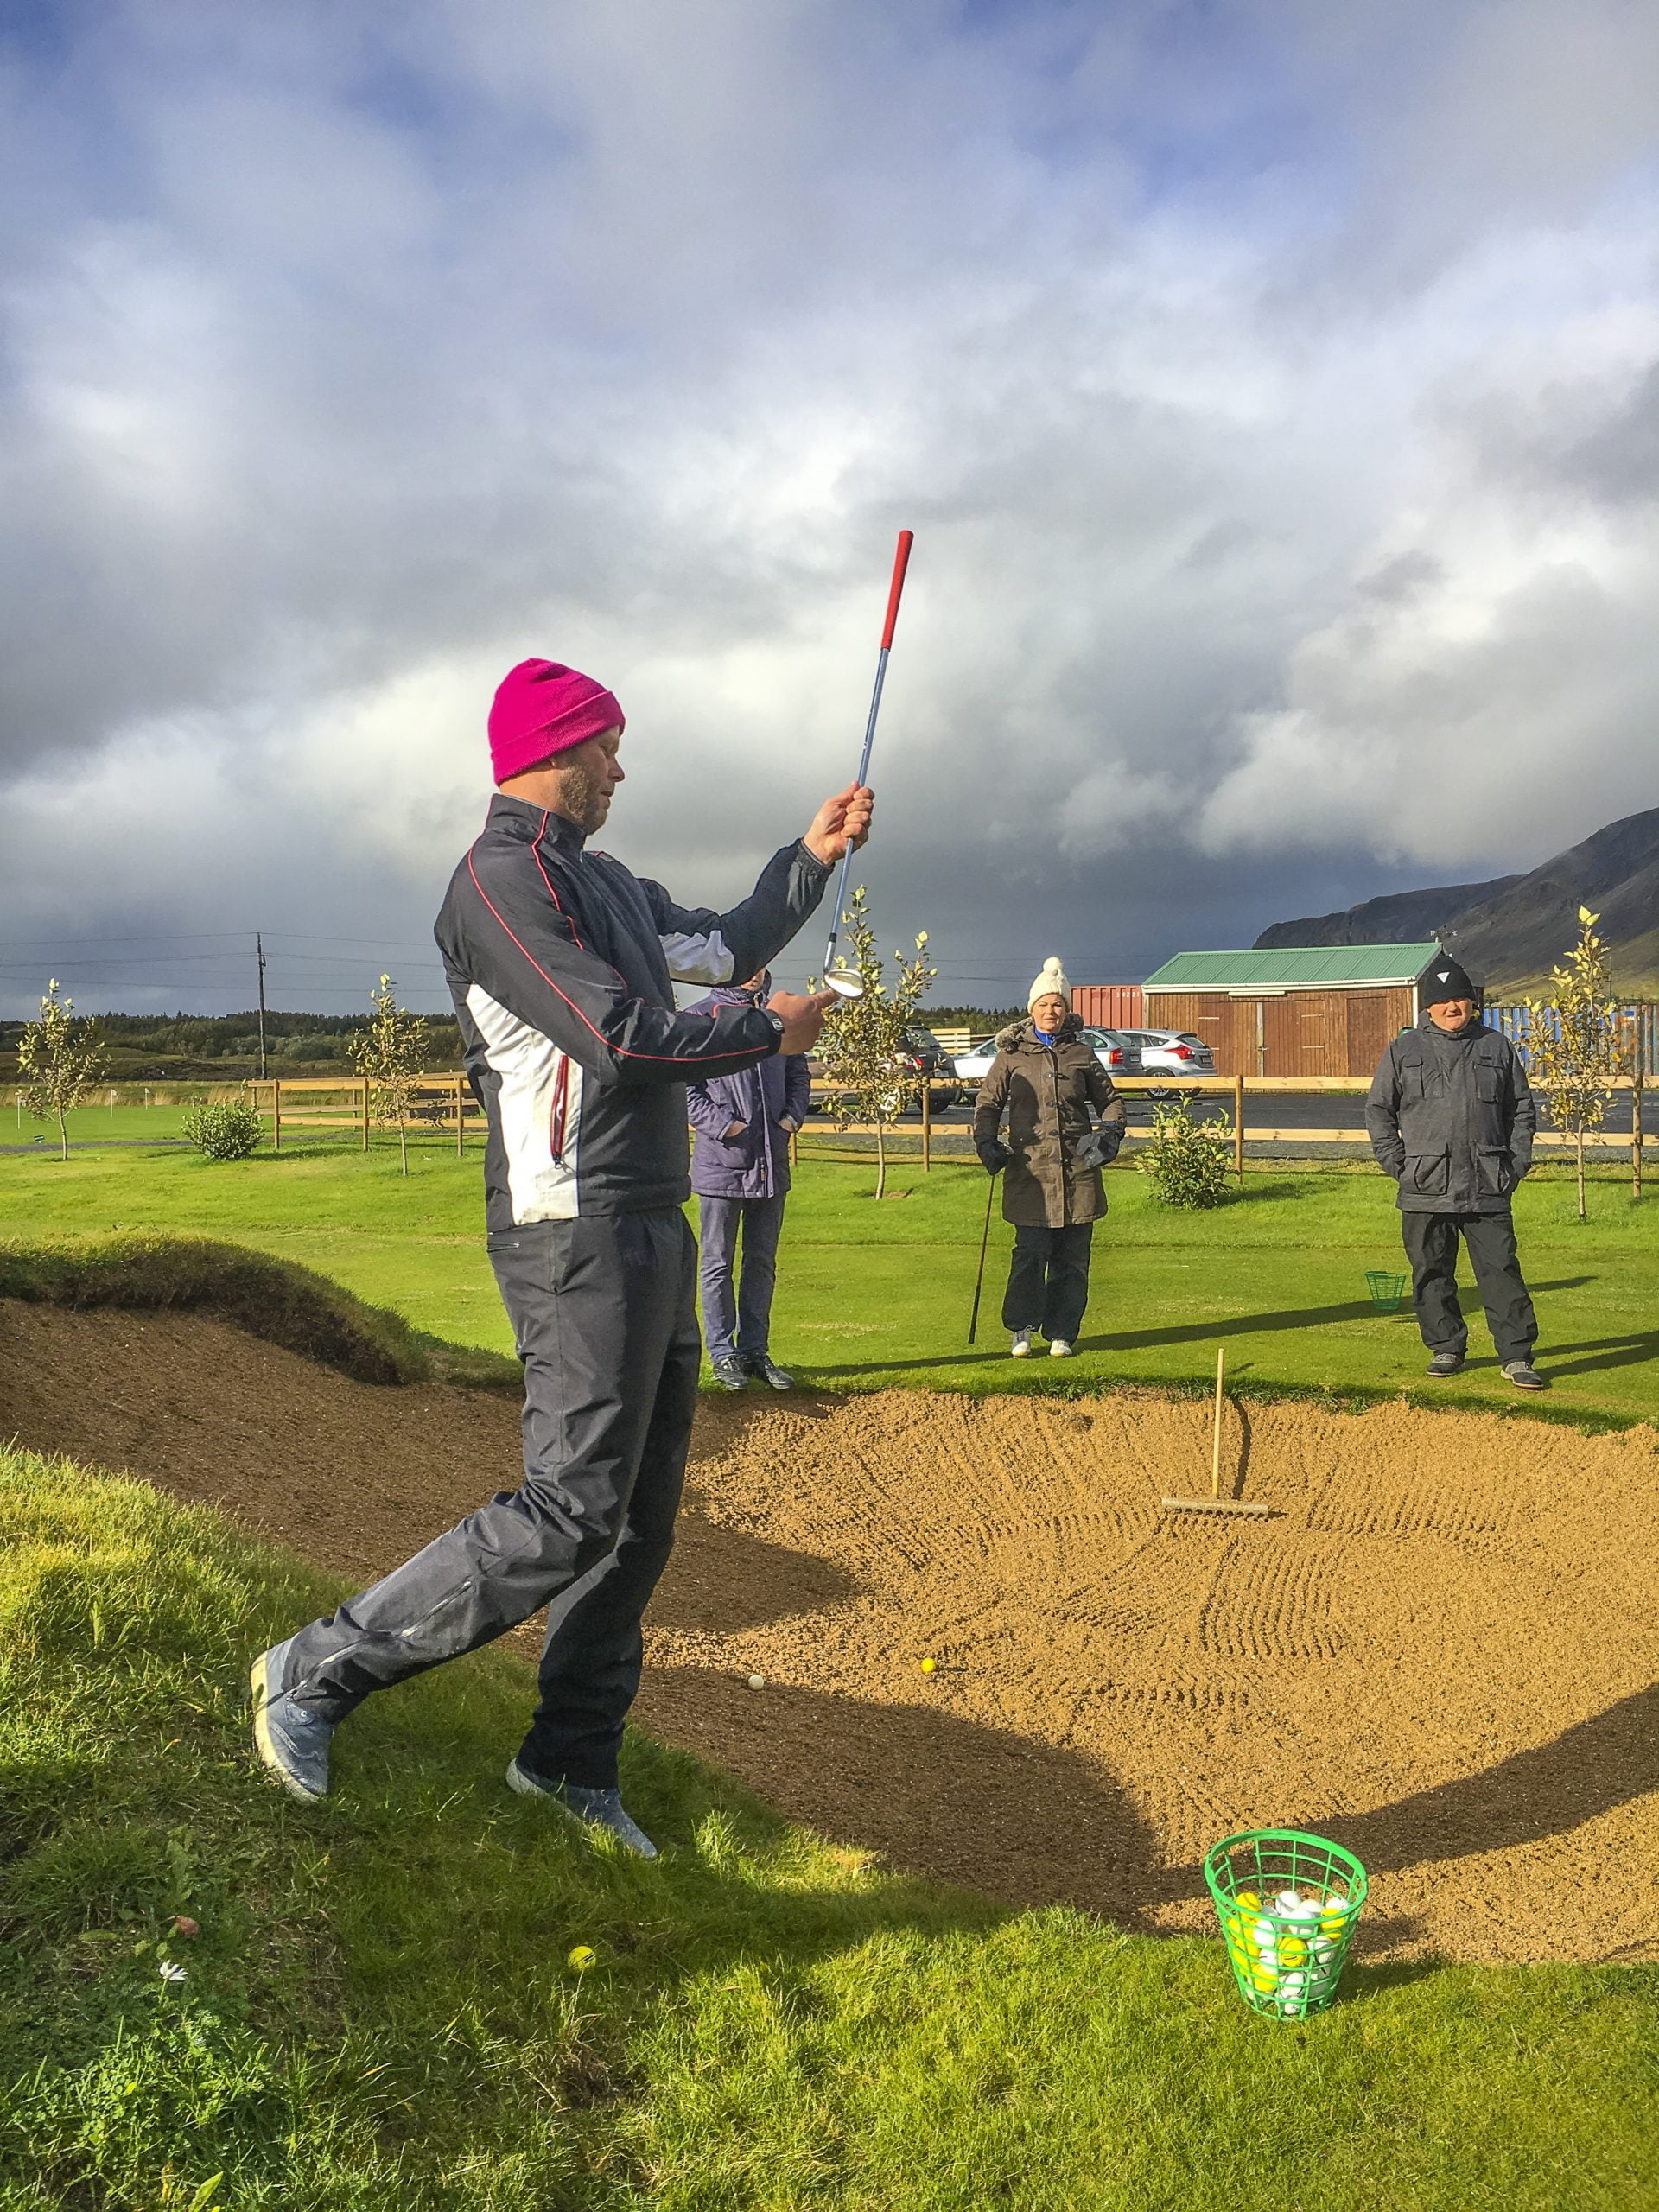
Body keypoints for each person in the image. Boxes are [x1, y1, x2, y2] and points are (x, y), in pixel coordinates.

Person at [251, 657, 872, 1853]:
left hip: (648, 1221)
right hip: (568, 1232)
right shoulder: (498, 886)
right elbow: (621, 1036)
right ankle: (313, 1669)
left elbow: (726, 942)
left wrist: (811, 858)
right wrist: (765, 1029)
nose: (621, 770)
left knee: (637, 1522)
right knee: (566, 1508)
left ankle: (570, 1762)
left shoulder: (609, 887)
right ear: (556, 750)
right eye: (608, 749)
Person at [1364, 951, 1544, 1389]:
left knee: (1501, 1270)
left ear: (1471, 1004)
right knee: (1431, 1272)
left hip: (1487, 1184)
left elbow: (1522, 1110)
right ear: (1428, 1008)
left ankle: (1517, 1357)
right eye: (1444, 1002)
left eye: (1460, 1000)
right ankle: (1446, 1348)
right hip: (1424, 1187)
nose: (1453, 1008)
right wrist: (1400, 1166)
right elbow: (1379, 1111)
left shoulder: (1496, 1047)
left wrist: (1514, 1164)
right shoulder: (1403, 1050)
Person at [973, 957, 1126, 1358]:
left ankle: (1062, 1332)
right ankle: (1020, 1328)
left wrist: (1109, 1134)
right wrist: (986, 1143)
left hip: (1079, 1171)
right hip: (1030, 1174)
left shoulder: (1081, 1054)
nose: (1051, 1011)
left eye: (1058, 1004)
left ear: (1067, 1009)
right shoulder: (1010, 1055)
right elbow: (988, 1104)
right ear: (1032, 1008)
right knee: (1029, 1254)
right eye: (1044, 1004)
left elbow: (1110, 1102)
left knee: (1073, 1260)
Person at [686, 968, 811, 1391]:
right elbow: (686, 1088)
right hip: (722, 1163)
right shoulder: (702, 1017)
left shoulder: (780, 1017)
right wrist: (725, 1126)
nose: (757, 973)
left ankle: (755, 1351)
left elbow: (798, 1074)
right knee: (717, 1264)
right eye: (749, 963)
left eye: (764, 964)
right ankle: (723, 1354)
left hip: (770, 1164)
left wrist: (792, 1117)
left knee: (761, 1263)